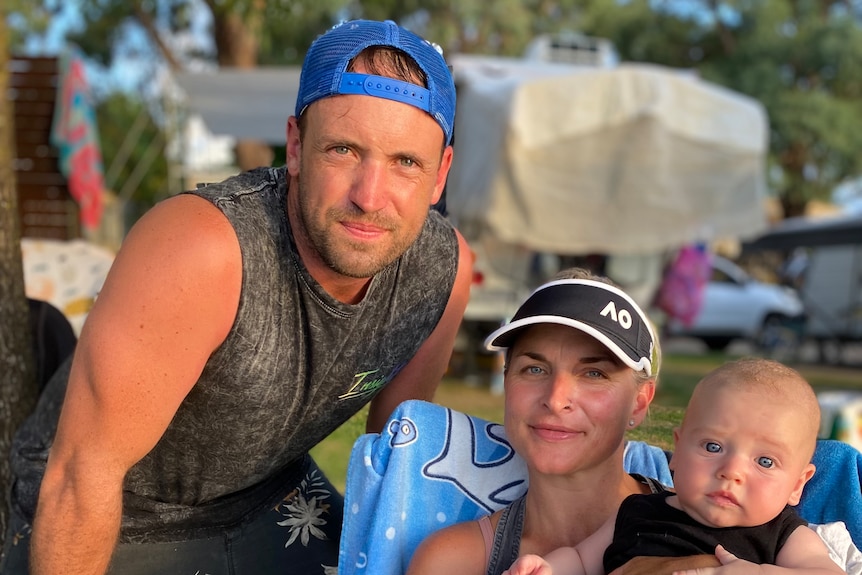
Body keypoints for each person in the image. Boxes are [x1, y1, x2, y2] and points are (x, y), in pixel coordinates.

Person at [0, 19, 471, 575]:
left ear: (440, 174)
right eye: (343, 150)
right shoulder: (202, 250)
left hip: (271, 498)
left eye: (405, 163)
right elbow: (81, 477)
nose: (370, 198)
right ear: (295, 147)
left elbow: (393, 465)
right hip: (117, 517)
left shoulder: (444, 270)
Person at [407, 267, 670, 575]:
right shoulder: (452, 562)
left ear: (639, 403)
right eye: (534, 369)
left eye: (594, 373)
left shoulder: (711, 525)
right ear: (506, 382)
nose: (556, 399)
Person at [503, 358, 843, 575]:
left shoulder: (784, 535)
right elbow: (580, 559)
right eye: (713, 446)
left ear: (798, 484)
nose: (731, 471)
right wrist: (547, 567)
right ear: (677, 453)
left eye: (765, 461)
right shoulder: (636, 511)